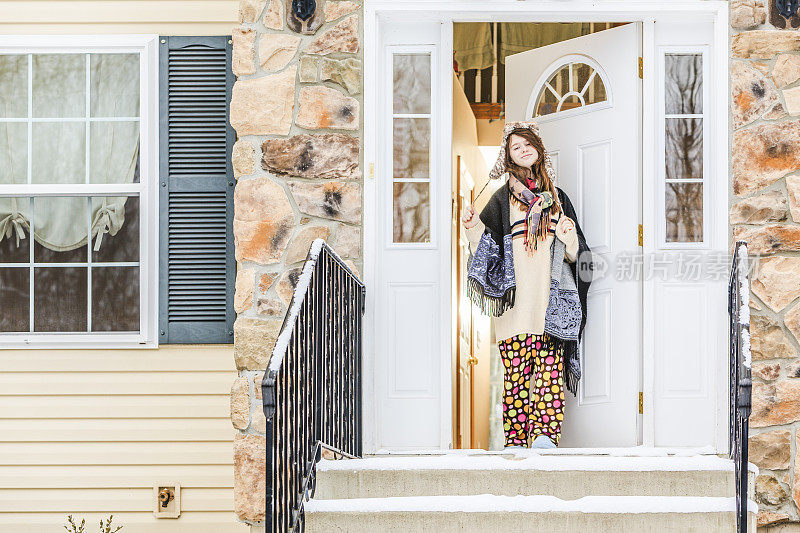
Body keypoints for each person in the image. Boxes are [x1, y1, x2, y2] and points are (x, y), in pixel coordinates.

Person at [461, 121, 591, 450]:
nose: (522, 150)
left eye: (527, 144)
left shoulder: (557, 200)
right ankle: (516, 442)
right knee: (517, 379)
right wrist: (471, 225)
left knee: (549, 377)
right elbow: (484, 247)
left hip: (551, 306)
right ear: (508, 156)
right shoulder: (501, 200)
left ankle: (546, 439)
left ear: (538, 149)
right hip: (514, 309)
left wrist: (567, 237)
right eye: (515, 147)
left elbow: (578, 257)